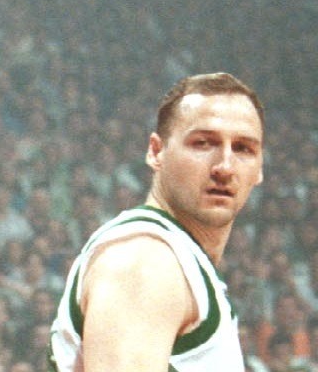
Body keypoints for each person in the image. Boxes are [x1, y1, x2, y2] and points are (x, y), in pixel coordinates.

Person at [48, 72, 265, 370]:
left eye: (243, 148)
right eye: (203, 143)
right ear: (156, 152)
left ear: (260, 168)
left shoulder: (178, 260)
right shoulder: (146, 261)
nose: (225, 167)